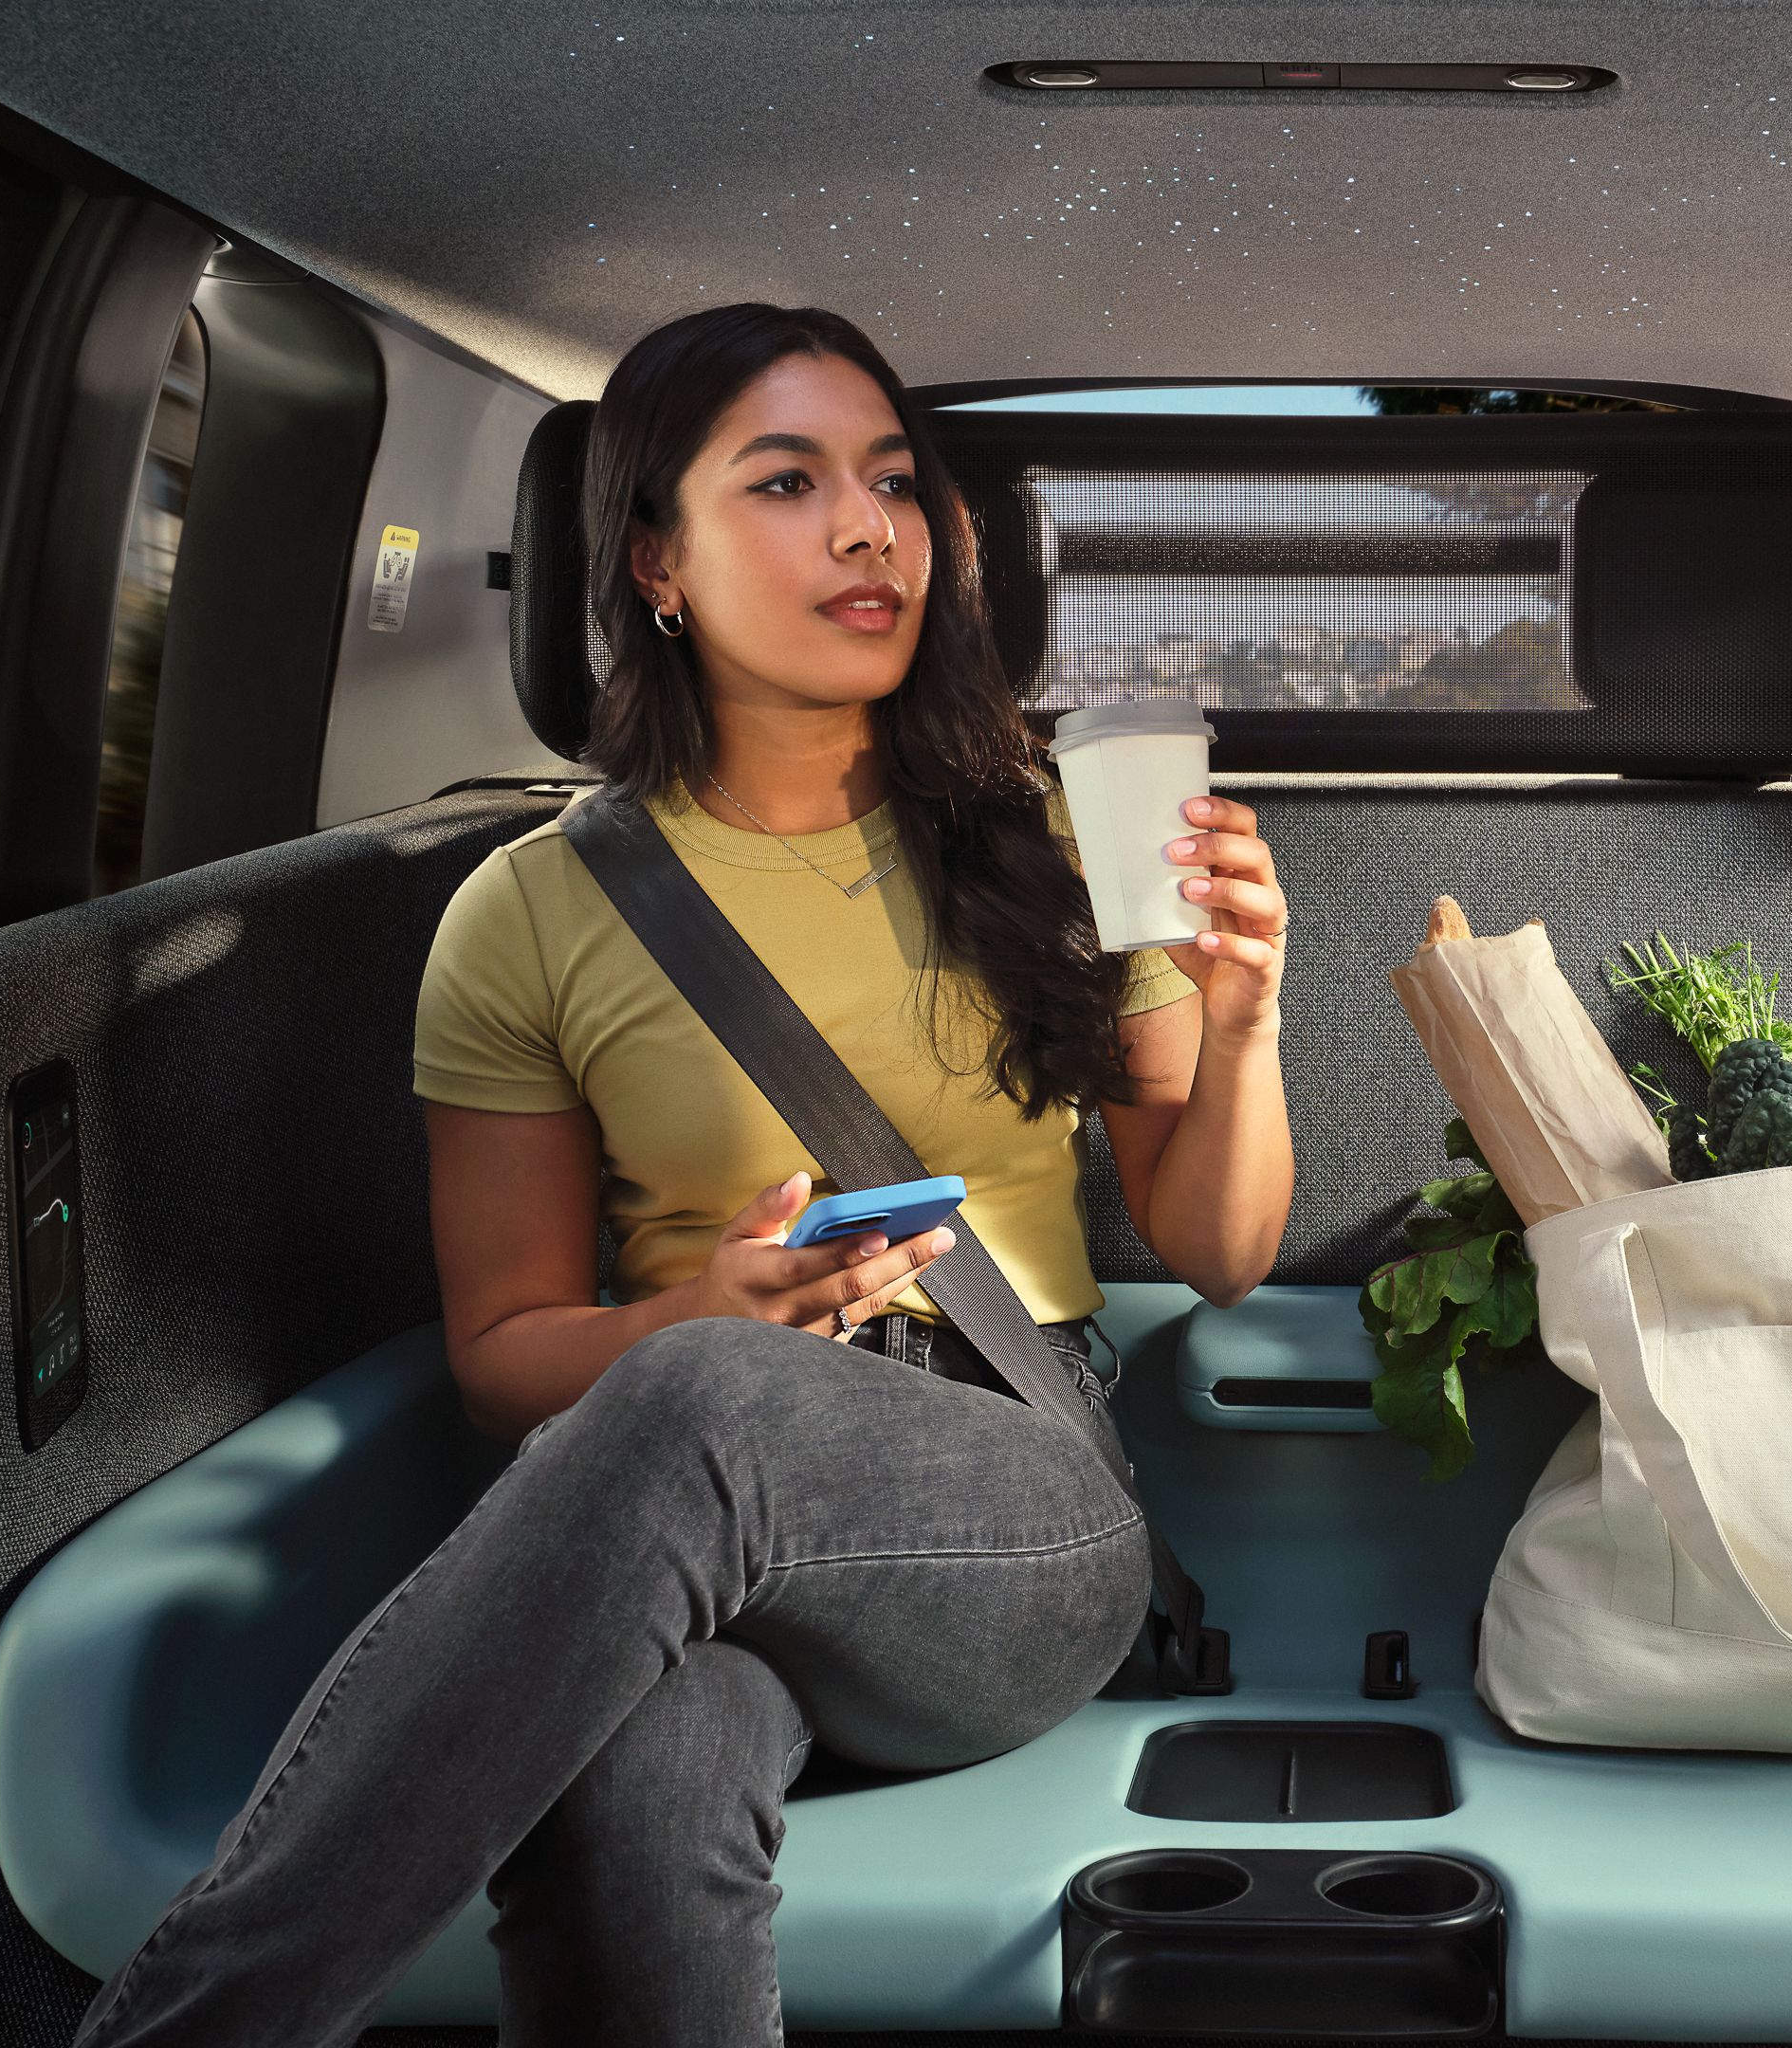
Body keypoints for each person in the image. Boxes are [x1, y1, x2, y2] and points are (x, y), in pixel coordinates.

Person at [75, 303, 1295, 2045]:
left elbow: (1221, 1249)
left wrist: (1244, 1024)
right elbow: (503, 1357)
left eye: (893, 481)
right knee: (622, 1779)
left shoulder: (1062, 838)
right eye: (788, 483)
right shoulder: (530, 913)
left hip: (1019, 1509)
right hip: (683, 1523)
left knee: (701, 1400)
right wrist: (702, 1314)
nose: (868, 529)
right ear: (657, 559)